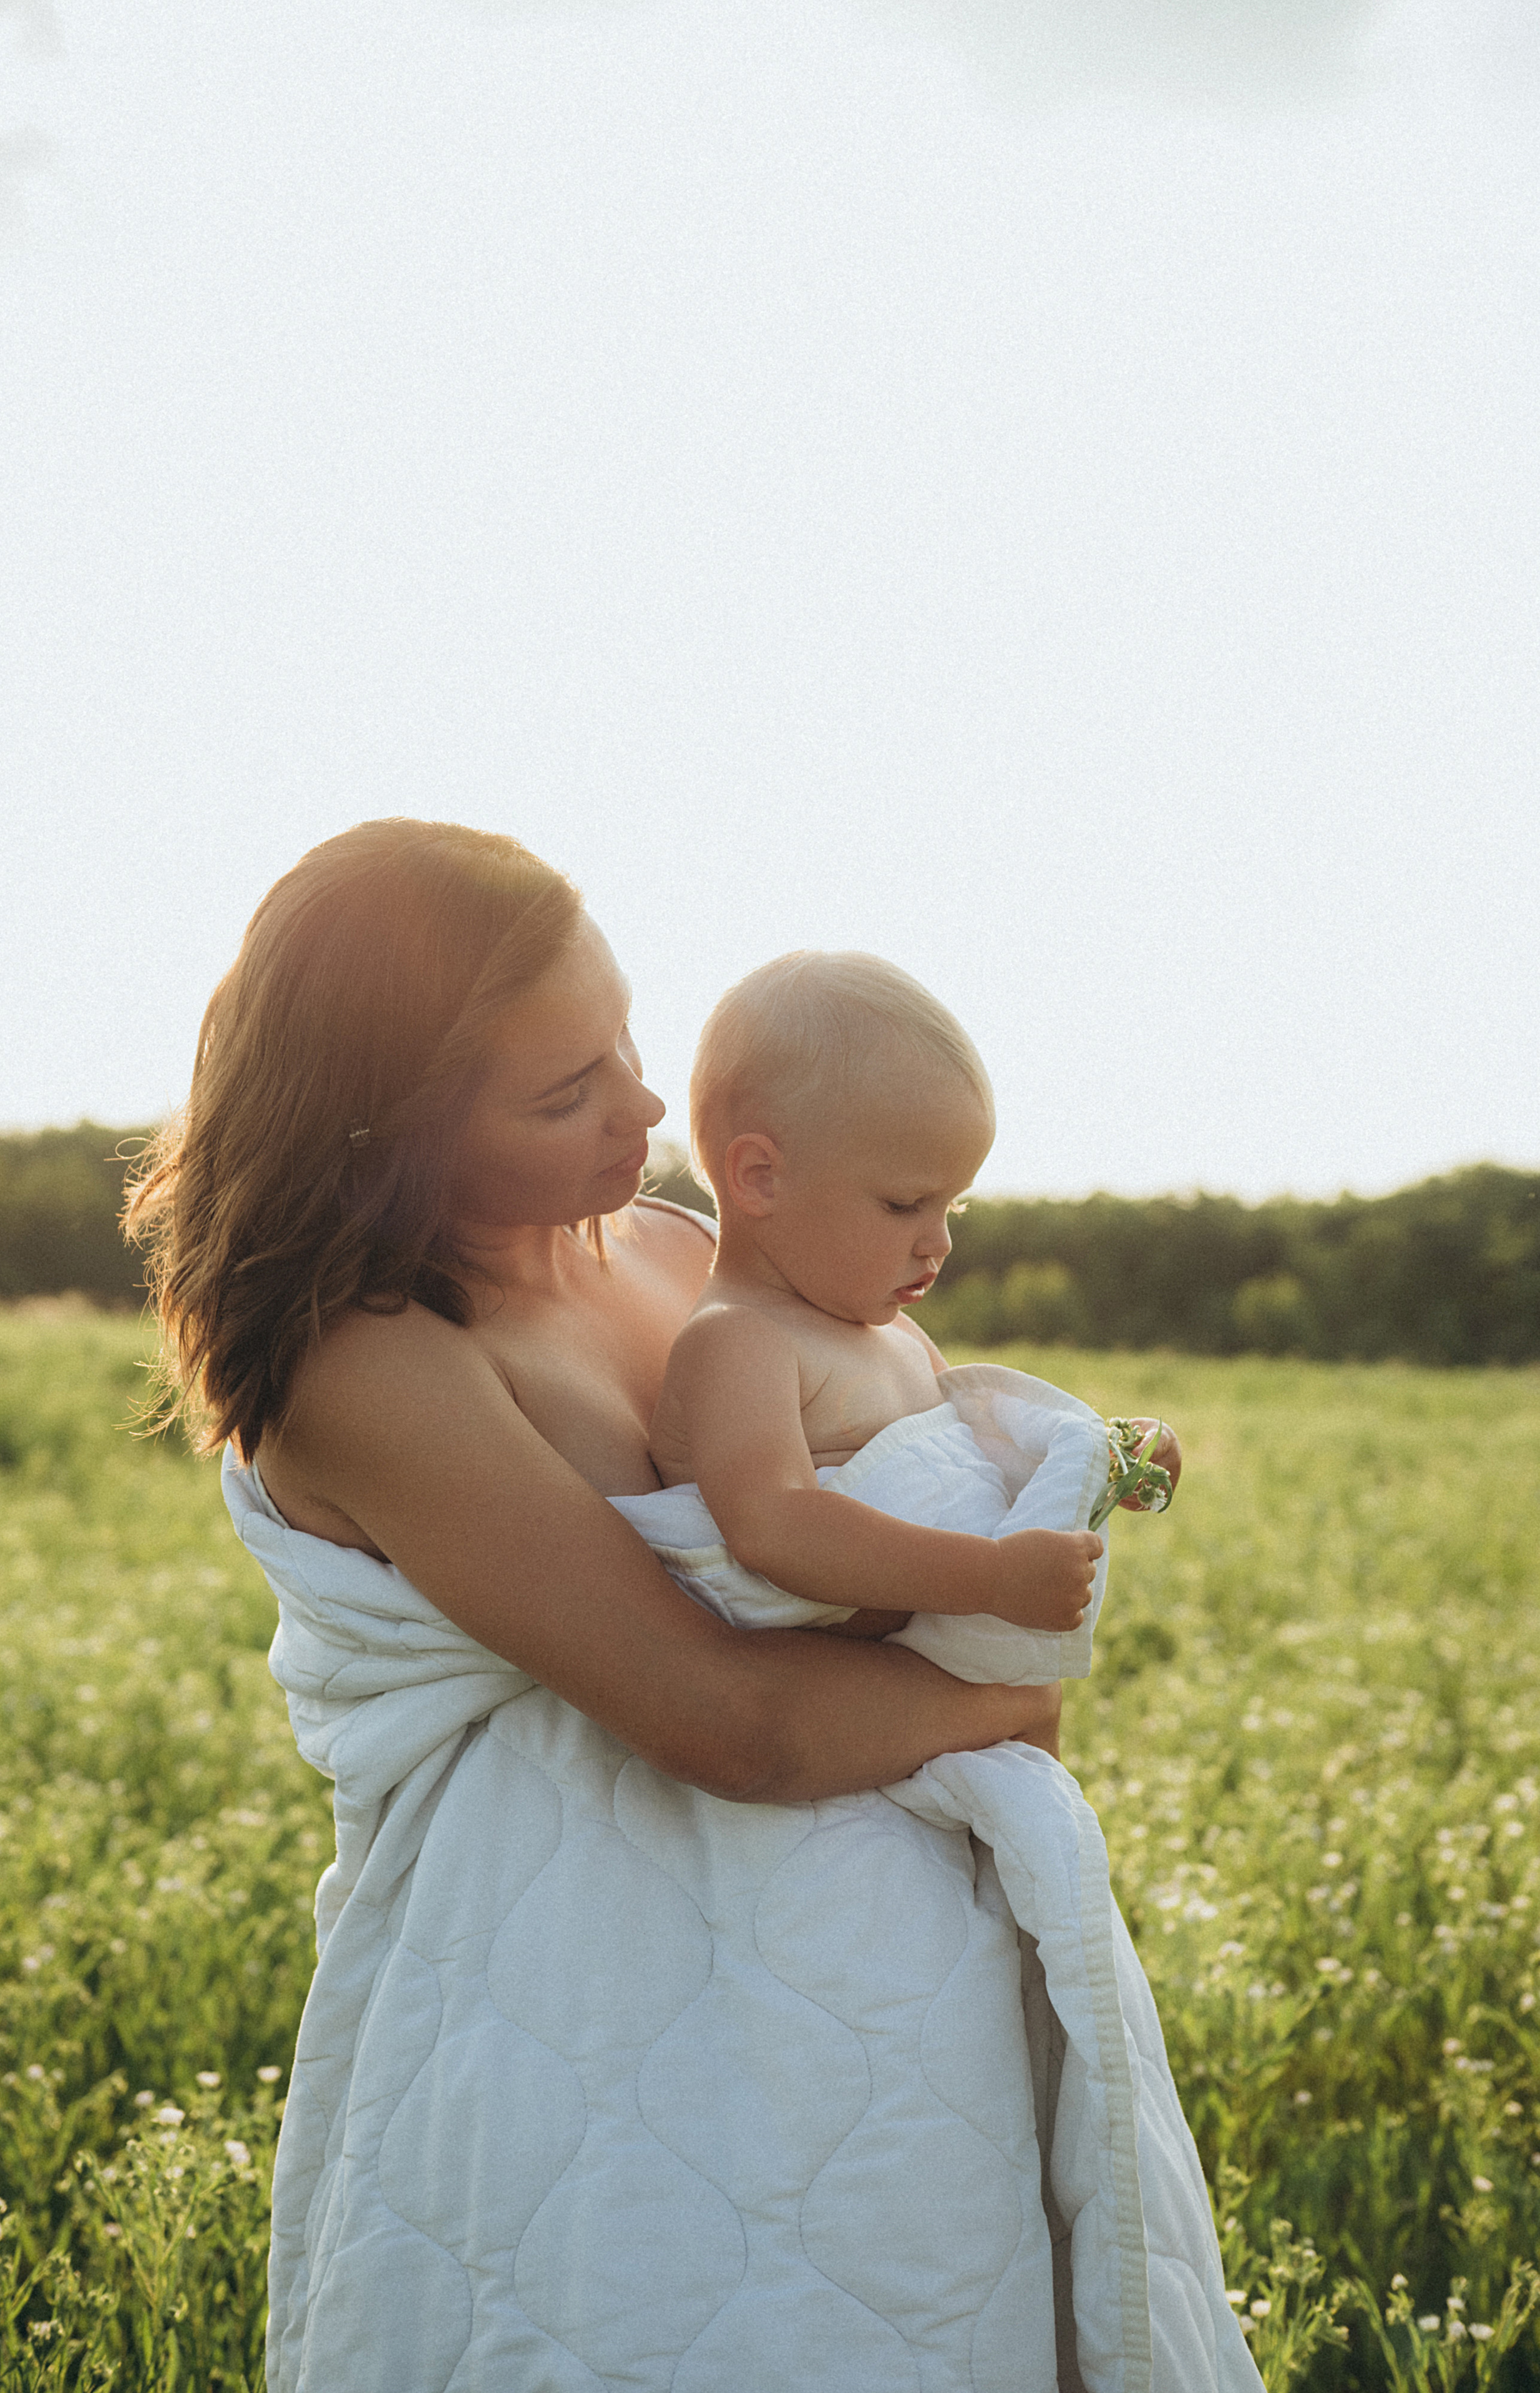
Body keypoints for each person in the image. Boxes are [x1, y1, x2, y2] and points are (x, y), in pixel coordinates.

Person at [128, 820, 1258, 2393]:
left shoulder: (673, 1251)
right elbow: (720, 1715)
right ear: (390, 1128)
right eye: (564, 1088)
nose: (648, 1105)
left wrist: (1070, 1469)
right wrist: (1015, 1702)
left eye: (625, 1041)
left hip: (869, 1993)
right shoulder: (366, 1361)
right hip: (576, 2003)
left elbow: (894, 1469)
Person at [648, 948, 1180, 1655]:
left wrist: (1100, 1461)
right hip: (838, 1697)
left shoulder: (899, 1339)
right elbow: (774, 1529)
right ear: (759, 1176)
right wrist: (991, 1577)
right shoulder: (740, 1341)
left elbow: (971, 1469)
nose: (939, 1243)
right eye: (904, 1204)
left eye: (951, 1207)